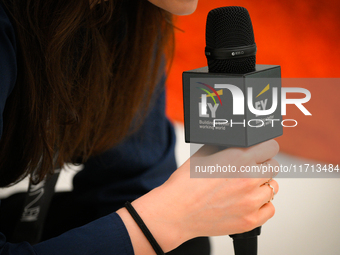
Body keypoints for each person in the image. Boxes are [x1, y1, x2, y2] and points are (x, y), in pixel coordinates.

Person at [0, 0, 279, 254]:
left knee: (183, 246)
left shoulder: (126, 16)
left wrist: (182, 215)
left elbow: (132, 183)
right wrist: (173, 217)